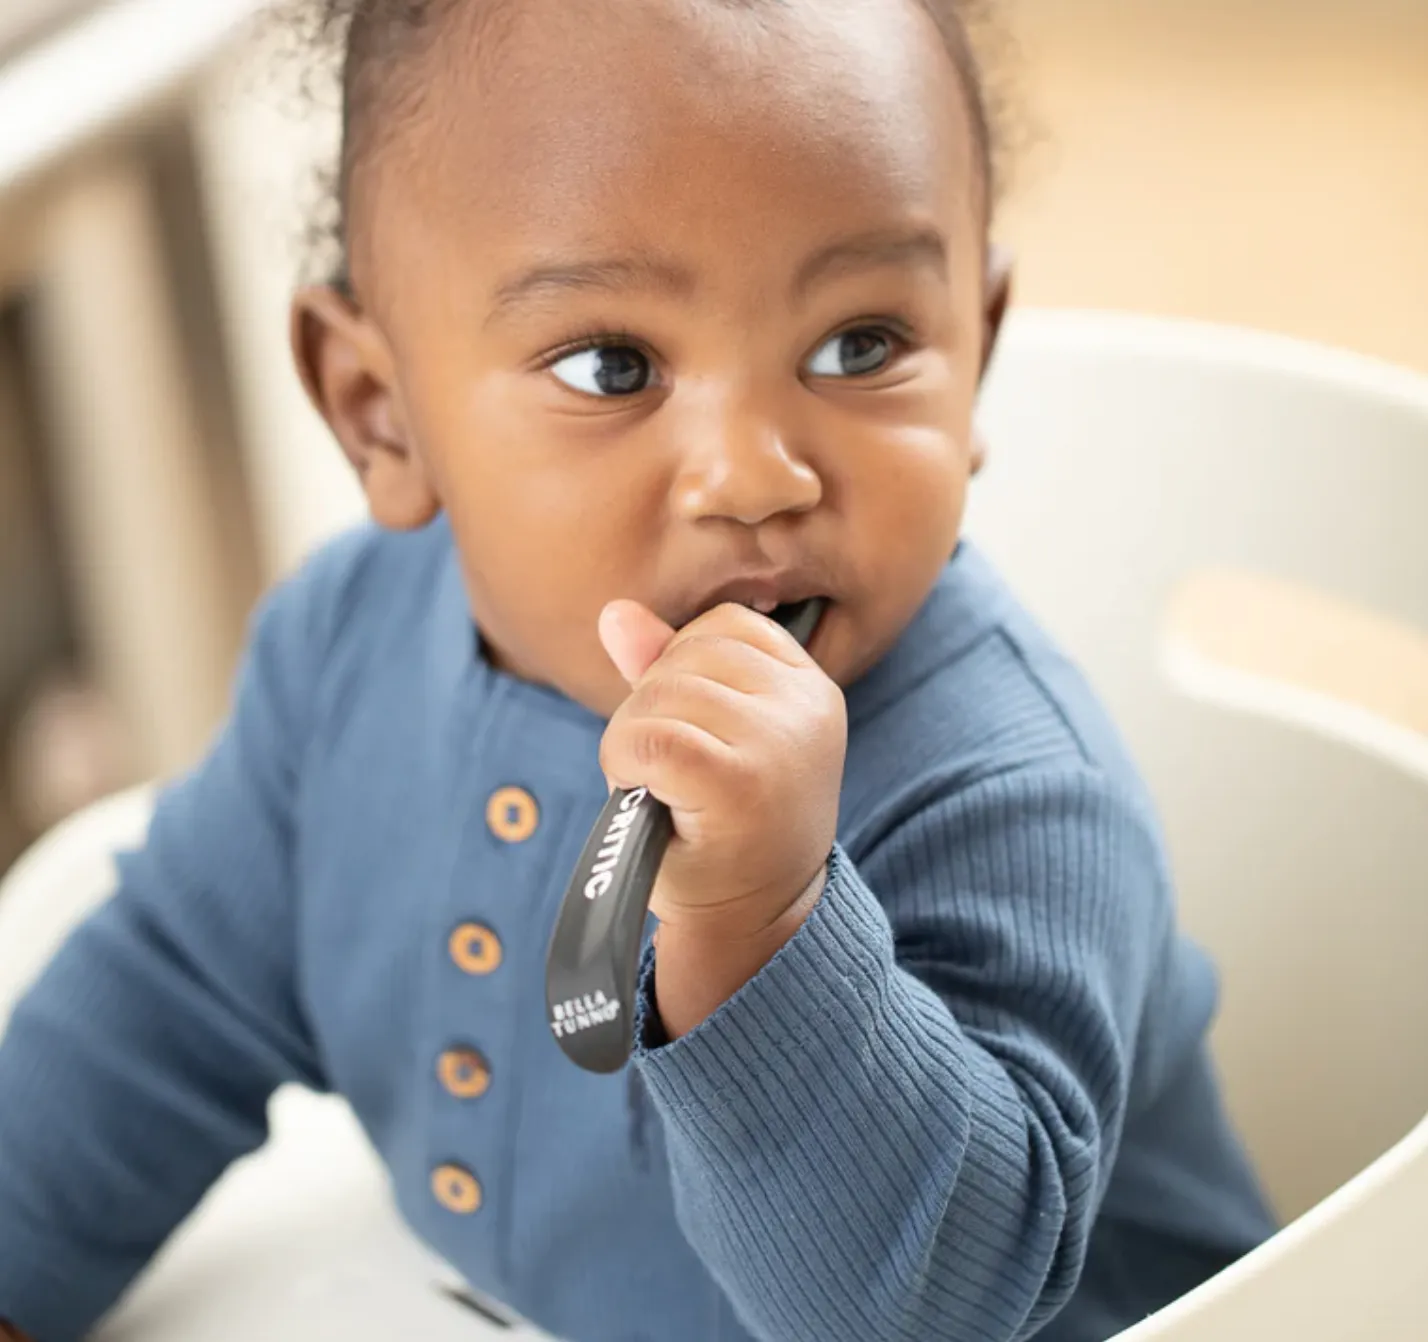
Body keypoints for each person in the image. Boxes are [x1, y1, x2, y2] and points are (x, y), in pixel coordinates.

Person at [0, 1, 1276, 1338]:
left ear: (977, 351)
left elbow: (932, 1315)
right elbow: (168, 998)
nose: (753, 474)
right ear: (382, 412)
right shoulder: (345, 651)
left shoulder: (1015, 792)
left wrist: (760, 925)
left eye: (863, 344)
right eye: (615, 366)